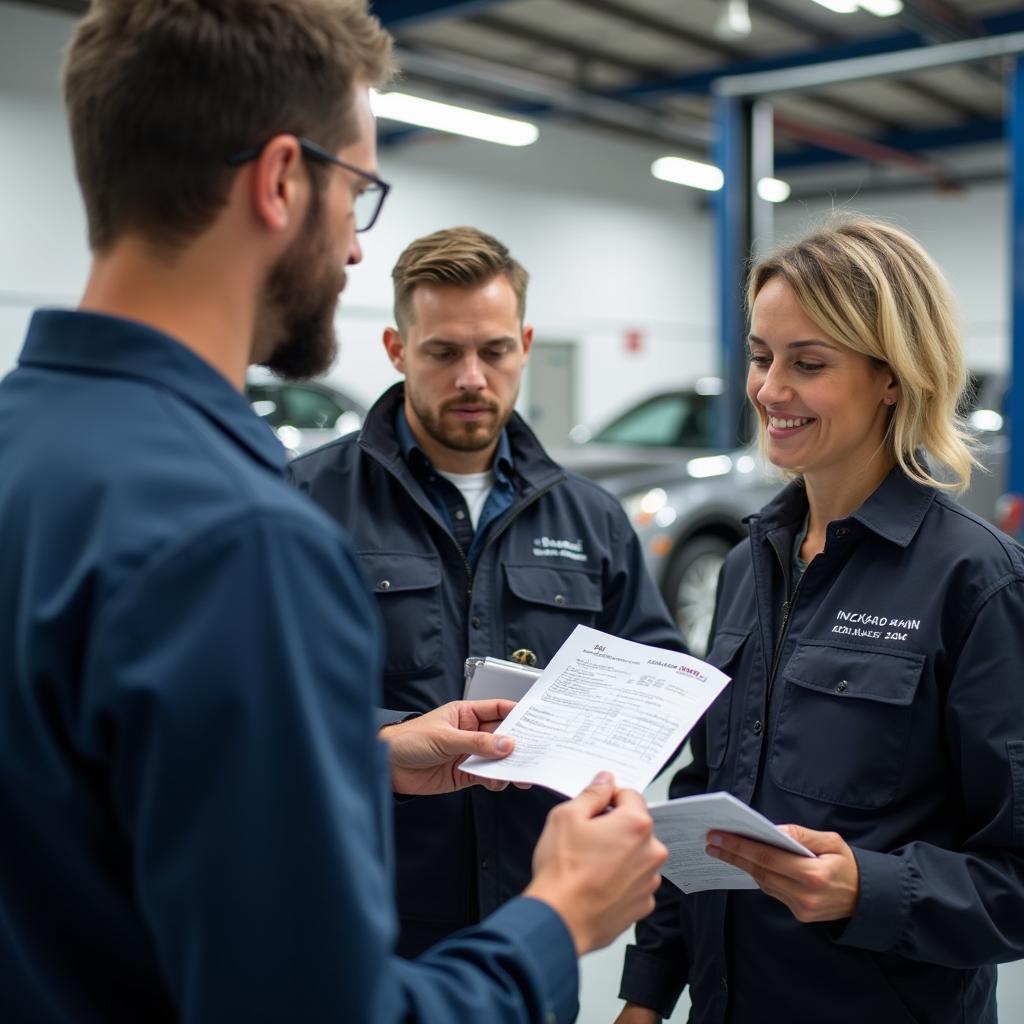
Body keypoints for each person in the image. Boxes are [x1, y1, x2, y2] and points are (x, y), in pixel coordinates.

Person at [0, 3, 669, 1022]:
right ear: (279, 180)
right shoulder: (244, 533)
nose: (356, 249)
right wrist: (557, 916)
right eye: (357, 190)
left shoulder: (29, 450)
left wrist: (370, 756)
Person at [615, 216, 1024, 1024]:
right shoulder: (747, 565)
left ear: (893, 378)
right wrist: (649, 989)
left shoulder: (976, 583)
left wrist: (866, 889)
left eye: (808, 363)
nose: (769, 390)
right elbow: (706, 798)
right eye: (762, 357)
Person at [288, 224, 686, 956]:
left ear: (525, 345)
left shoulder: (591, 517)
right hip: (367, 924)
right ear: (396, 348)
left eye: (495, 351)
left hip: (537, 916)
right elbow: (262, 697)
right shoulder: (304, 504)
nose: (473, 377)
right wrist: (379, 739)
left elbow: (657, 672)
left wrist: (609, 736)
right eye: (443, 352)